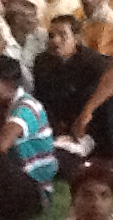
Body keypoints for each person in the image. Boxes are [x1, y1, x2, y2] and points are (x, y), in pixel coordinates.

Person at [32, 15, 113, 157]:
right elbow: (43, 98)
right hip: (70, 116)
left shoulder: (89, 58)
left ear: (76, 38)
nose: (55, 40)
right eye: (51, 35)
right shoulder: (42, 62)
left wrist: (87, 112)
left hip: (103, 114)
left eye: (62, 35)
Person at [0, 56, 58, 220]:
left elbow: (2, 144)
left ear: (9, 84)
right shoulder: (3, 105)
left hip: (34, 189)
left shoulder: (27, 107)